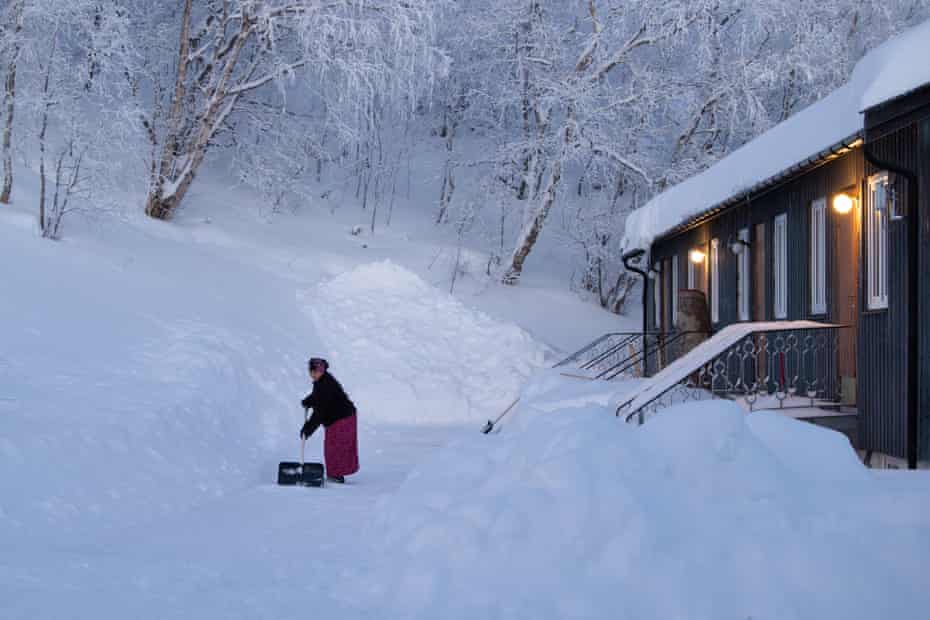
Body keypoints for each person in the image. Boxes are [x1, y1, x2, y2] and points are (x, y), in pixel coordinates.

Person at [300, 358, 359, 483]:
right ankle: (335, 474)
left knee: (335, 447)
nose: (316, 374)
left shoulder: (326, 383)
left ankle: (336, 476)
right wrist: (309, 401)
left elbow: (320, 412)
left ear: (323, 371)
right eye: (314, 371)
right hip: (338, 417)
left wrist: (308, 429)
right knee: (332, 447)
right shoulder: (322, 381)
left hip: (343, 418)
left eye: (319, 371)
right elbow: (318, 396)